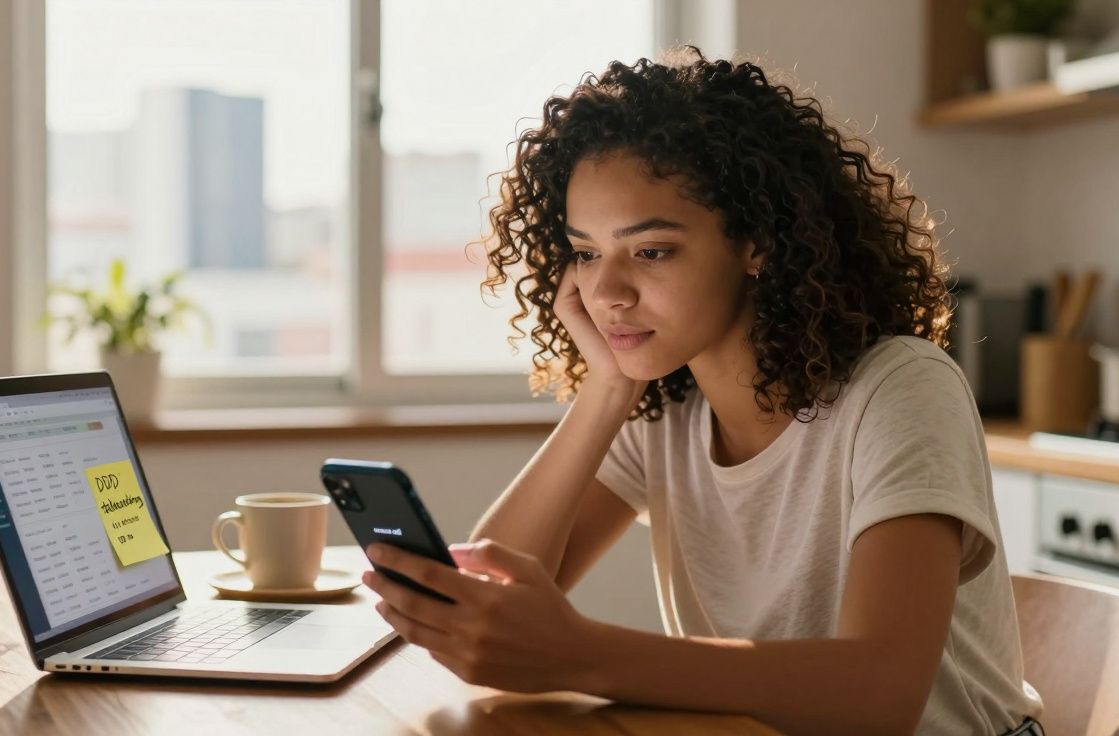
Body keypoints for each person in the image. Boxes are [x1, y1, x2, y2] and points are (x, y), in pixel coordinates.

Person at [359, 46, 1045, 736]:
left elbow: (881, 694)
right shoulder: (667, 406)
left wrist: (582, 655)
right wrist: (607, 390)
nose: (607, 292)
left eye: (651, 251)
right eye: (588, 254)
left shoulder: (899, 388)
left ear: (757, 243)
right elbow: (486, 599)